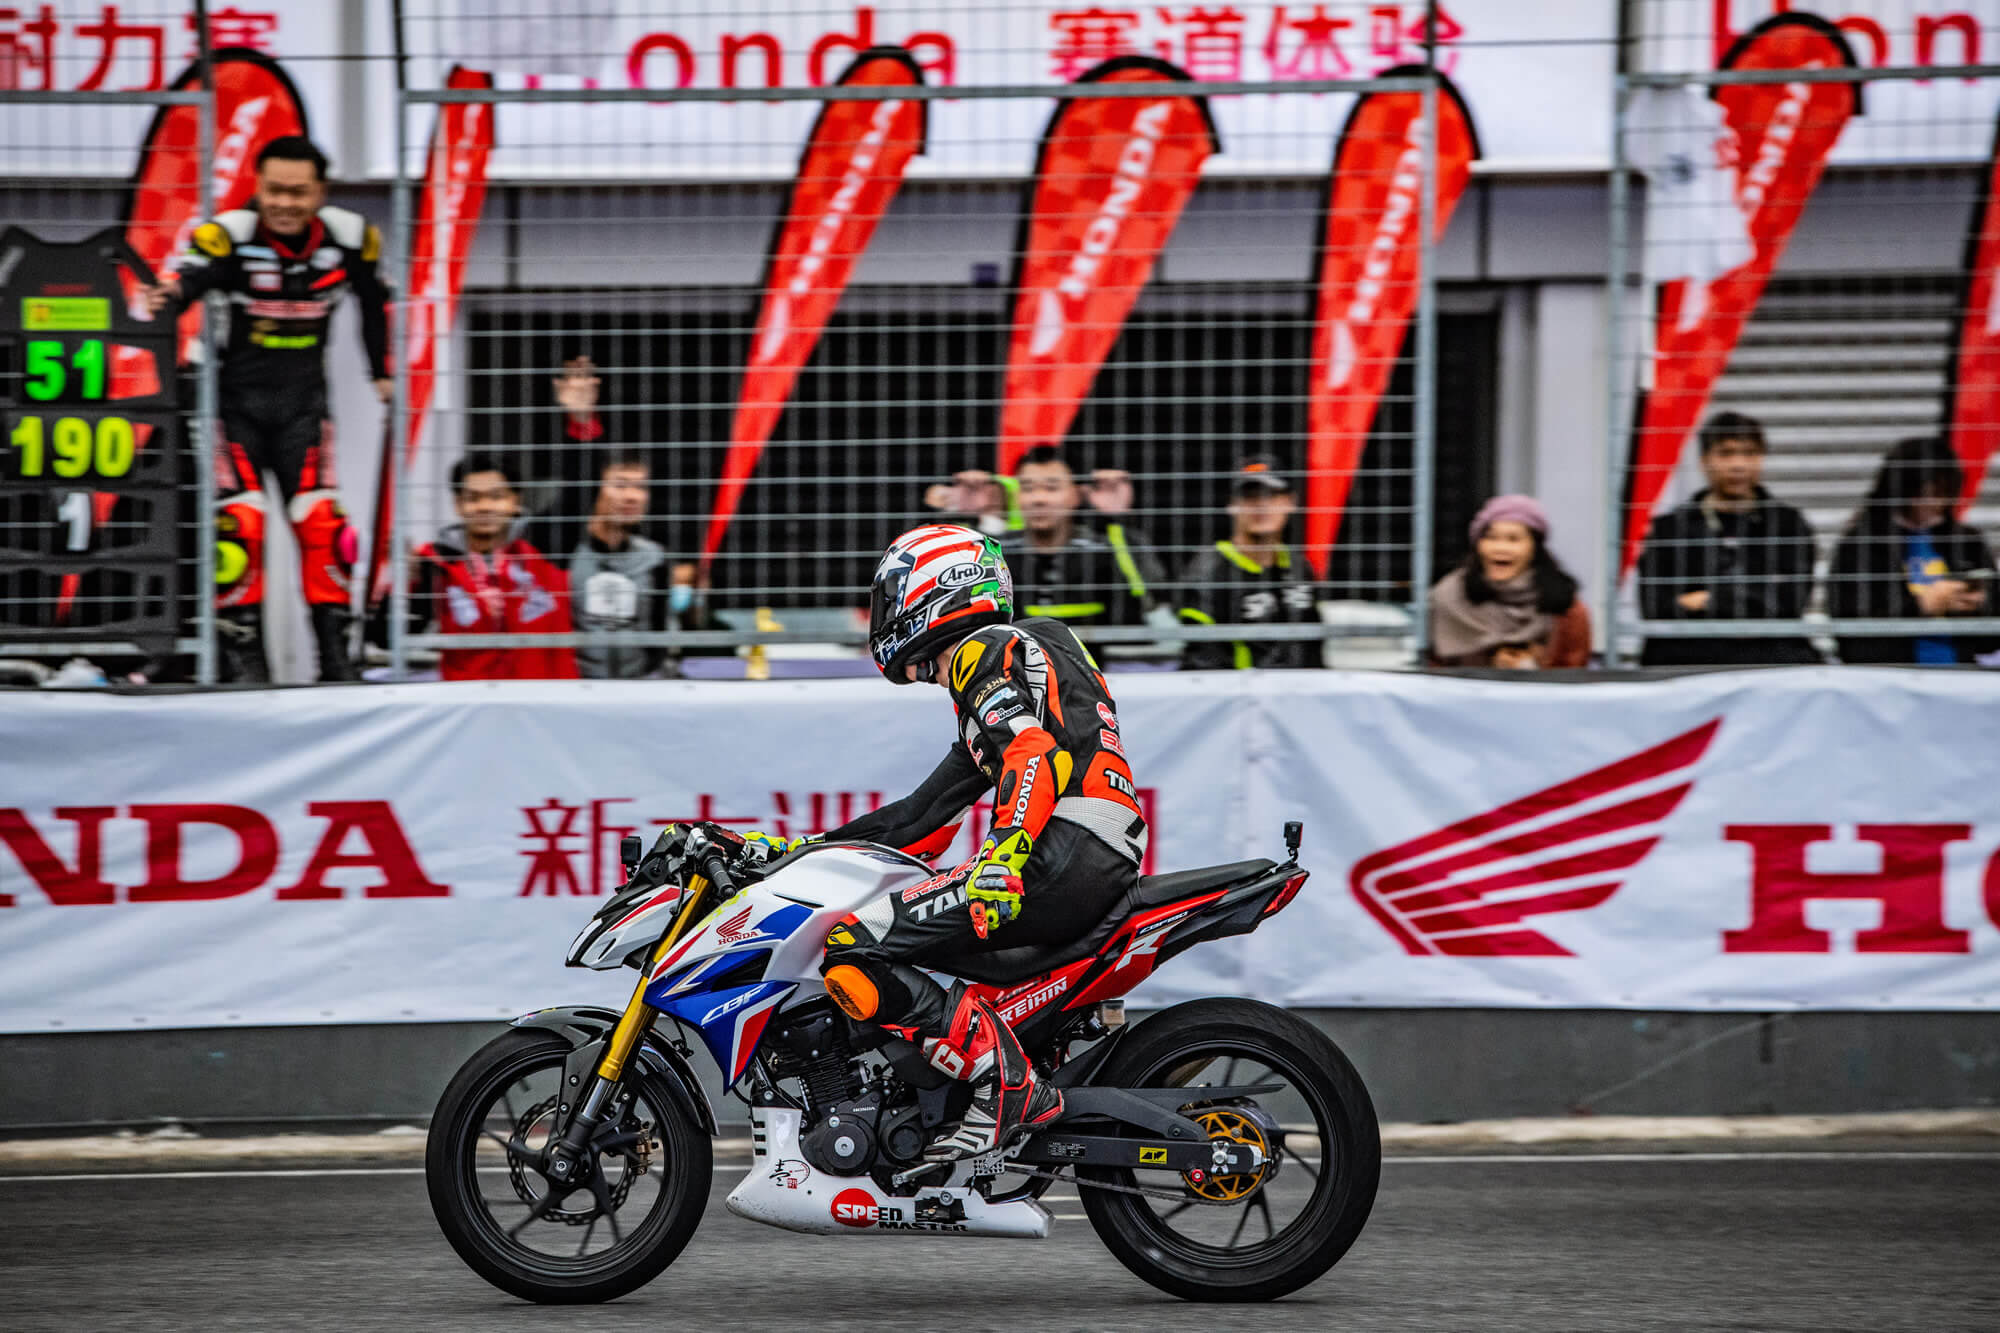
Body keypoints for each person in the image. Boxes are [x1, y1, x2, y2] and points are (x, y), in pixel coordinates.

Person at [740, 525, 1145, 1161]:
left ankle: (1005, 1084)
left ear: (938, 586)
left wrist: (1002, 857)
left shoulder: (979, 651)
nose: (883, 615)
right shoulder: (1022, 652)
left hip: (1065, 850)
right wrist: (795, 853)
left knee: (851, 942)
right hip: (1094, 847)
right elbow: (920, 820)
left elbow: (1033, 755)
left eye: (890, 597)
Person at [143, 135, 390, 683]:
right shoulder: (227, 234)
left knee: (323, 525)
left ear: (320, 191)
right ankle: (244, 663)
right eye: (274, 190)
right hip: (231, 412)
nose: (284, 203)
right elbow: (188, 279)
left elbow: (375, 303)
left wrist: (382, 371)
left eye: (298, 192)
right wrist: (170, 294)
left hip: (305, 411)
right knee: (241, 526)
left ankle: (336, 660)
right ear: (257, 185)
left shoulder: (352, 237)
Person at [1637, 412, 1820, 666]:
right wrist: (1751, 598)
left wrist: (1707, 599)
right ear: (1704, 461)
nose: (1738, 465)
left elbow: (1790, 602)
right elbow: (1655, 606)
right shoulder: (1670, 529)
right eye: (1726, 453)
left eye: (1749, 453)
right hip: (1688, 661)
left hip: (1771, 660)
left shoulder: (1788, 525)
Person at [409, 454, 579, 681]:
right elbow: (390, 635)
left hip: (542, 694)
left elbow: (581, 489)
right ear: (458, 504)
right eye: (473, 498)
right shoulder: (436, 563)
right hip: (468, 698)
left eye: (496, 496)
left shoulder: (548, 550)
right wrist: (403, 584)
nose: (485, 507)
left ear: (515, 501)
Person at [1830, 437, 1999, 665]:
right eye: (1924, 494)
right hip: (1892, 675)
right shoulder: (1862, 545)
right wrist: (1922, 605)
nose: (1934, 504)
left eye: (1942, 494)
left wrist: (1976, 606)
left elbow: (1990, 637)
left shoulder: (1968, 542)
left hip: (1960, 672)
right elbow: (1852, 630)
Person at [557, 450, 713, 679]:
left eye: (640, 487)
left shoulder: (654, 557)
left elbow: (666, 633)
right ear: (595, 490)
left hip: (640, 685)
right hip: (575, 686)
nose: (632, 496)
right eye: (620, 485)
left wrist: (696, 600)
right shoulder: (565, 553)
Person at [1000, 445, 1169, 645]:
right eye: (1027, 488)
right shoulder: (996, 551)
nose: (1038, 499)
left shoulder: (1106, 547)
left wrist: (1117, 522)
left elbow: (1155, 611)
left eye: (1052, 488)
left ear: (1078, 494)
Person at [1177, 455, 1319, 669]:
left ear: (1290, 502)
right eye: (1250, 496)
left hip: (1305, 687)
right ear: (1232, 505)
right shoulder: (1208, 572)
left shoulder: (1299, 566)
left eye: (1272, 495)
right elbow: (1202, 660)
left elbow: (1315, 647)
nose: (1261, 505)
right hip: (1238, 689)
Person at [1429, 495, 1592, 669]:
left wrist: (1531, 667)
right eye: (1491, 537)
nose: (1500, 548)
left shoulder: (1566, 607)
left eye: (1513, 539)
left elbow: (1573, 671)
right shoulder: (1449, 596)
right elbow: (1435, 668)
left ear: (1534, 547)